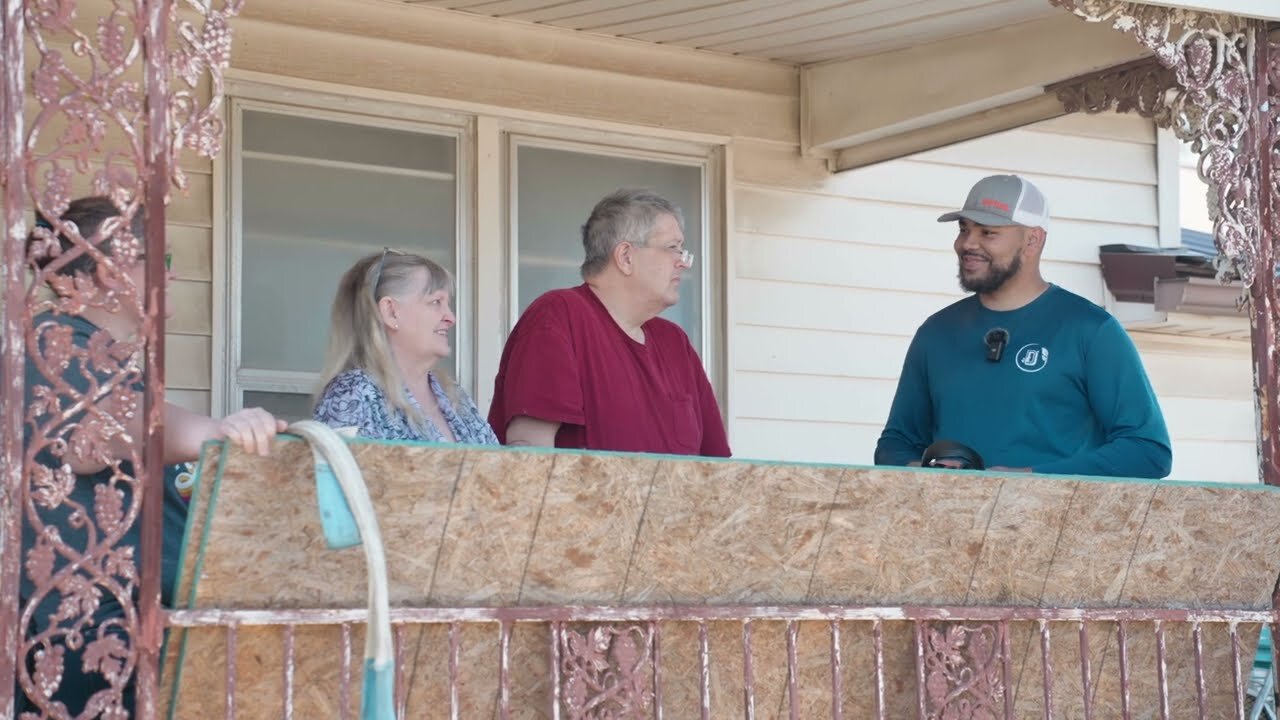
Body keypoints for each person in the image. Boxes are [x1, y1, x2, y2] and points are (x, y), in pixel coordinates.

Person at [18, 196, 285, 716]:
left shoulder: (103, 359)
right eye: (159, 261)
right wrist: (218, 431)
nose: (175, 274)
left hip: (120, 633)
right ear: (103, 274)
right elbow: (100, 434)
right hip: (80, 641)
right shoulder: (56, 343)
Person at [874, 175, 1172, 478]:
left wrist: (1027, 479)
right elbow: (894, 445)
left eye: (988, 233)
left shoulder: (1091, 330)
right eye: (964, 229)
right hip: (953, 523)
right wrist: (931, 473)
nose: (967, 244)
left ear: (1033, 240)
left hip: (1056, 522)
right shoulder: (935, 333)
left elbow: (1147, 452)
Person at [488, 188, 730, 456]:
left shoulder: (675, 342)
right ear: (625, 257)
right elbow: (529, 456)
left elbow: (715, 468)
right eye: (673, 248)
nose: (683, 263)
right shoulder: (558, 316)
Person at [313, 249, 498, 445]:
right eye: (435, 302)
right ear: (391, 312)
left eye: (447, 304)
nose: (450, 318)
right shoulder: (354, 392)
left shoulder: (453, 395)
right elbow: (335, 472)